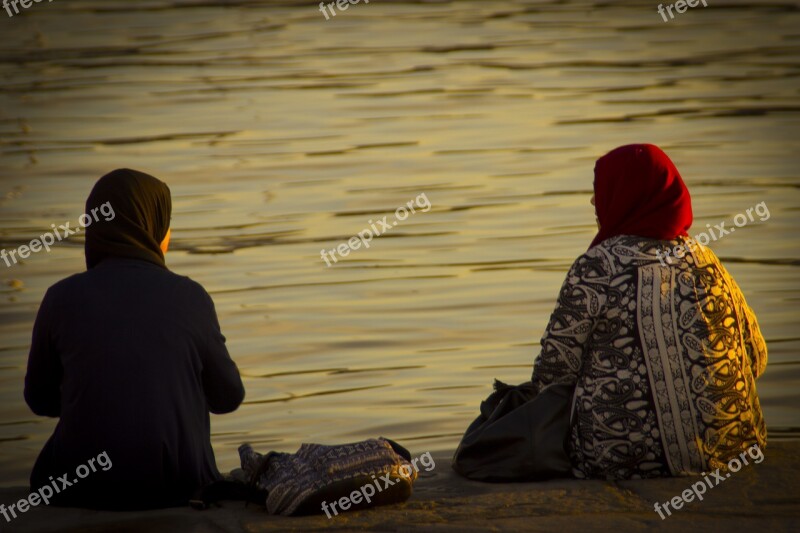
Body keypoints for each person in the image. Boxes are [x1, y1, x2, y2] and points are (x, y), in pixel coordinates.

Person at [531, 144, 767, 479]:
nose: (593, 204)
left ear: (622, 196)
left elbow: (552, 375)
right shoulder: (708, 263)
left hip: (620, 460)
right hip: (733, 451)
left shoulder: (597, 267)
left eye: (599, 193)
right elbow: (756, 357)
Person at [24, 169, 245, 509]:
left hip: (80, 489)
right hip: (178, 487)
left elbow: (39, 401)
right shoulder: (190, 297)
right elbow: (228, 397)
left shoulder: (60, 298)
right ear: (153, 227)